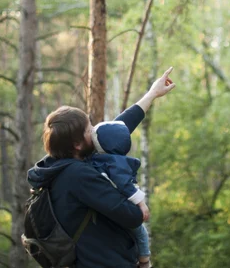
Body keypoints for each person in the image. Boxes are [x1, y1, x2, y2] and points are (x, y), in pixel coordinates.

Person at [27, 67, 176, 268]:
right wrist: (139, 203)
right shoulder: (79, 175)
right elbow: (132, 217)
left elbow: (116, 130)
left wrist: (152, 94)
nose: (96, 130)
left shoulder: (60, 165)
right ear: (77, 144)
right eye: (89, 128)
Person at [90, 120, 151, 267]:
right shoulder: (117, 163)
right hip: (125, 204)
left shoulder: (94, 159)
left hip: (106, 207)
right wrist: (141, 203)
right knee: (141, 233)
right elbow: (125, 185)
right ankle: (144, 261)